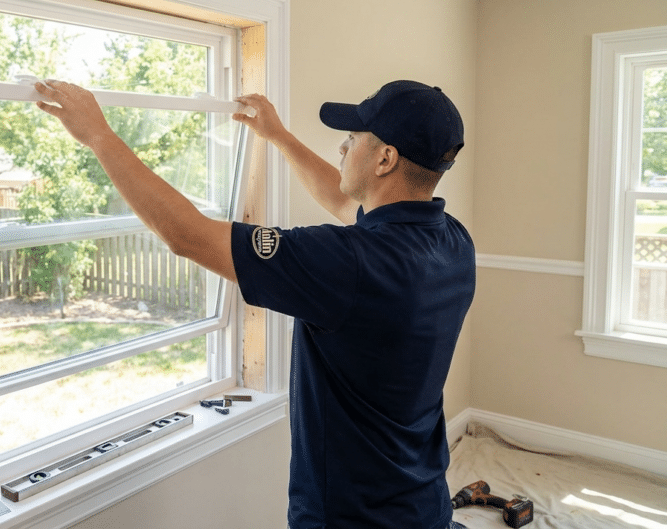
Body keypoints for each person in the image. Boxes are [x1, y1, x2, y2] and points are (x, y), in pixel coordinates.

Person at [34, 79, 475, 529]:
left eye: (353, 138)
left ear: (386, 159)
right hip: (422, 504)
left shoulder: (349, 264)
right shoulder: (452, 241)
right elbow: (346, 202)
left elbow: (188, 236)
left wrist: (99, 137)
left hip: (352, 517)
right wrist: (279, 137)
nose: (342, 149)